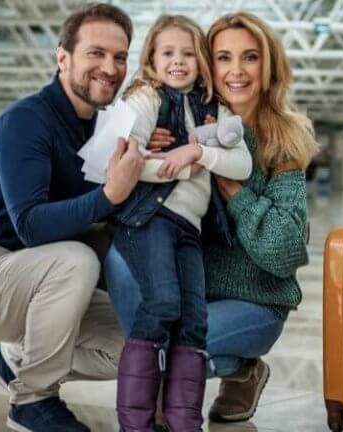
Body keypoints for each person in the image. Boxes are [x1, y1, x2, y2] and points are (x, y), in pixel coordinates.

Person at [105, 11, 317, 425]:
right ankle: (164, 381)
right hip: (192, 294)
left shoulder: (282, 140)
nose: (236, 71)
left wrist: (232, 189)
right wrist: (152, 153)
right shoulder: (183, 118)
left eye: (250, 57)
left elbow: (284, 249)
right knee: (124, 270)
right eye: (223, 58)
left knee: (174, 350)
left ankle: (241, 369)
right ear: (207, 65)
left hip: (254, 302)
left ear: (267, 66)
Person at [0, 4, 143, 431]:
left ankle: (16, 358)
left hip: (47, 286)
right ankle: (32, 401)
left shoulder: (103, 128)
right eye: (96, 53)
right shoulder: (25, 121)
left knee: (139, 351)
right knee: (76, 259)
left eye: (120, 57)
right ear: (63, 58)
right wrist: (110, 194)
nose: (110, 68)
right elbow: (30, 225)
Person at [110, 14, 252, 432]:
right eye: (167, 53)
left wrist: (198, 155)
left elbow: (241, 163)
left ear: (201, 60)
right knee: (163, 303)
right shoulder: (144, 99)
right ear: (152, 58)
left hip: (189, 229)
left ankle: (183, 423)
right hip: (150, 218)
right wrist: (179, 169)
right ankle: (135, 424)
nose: (178, 61)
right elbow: (121, 161)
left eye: (188, 53)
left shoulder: (215, 108)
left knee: (195, 321)